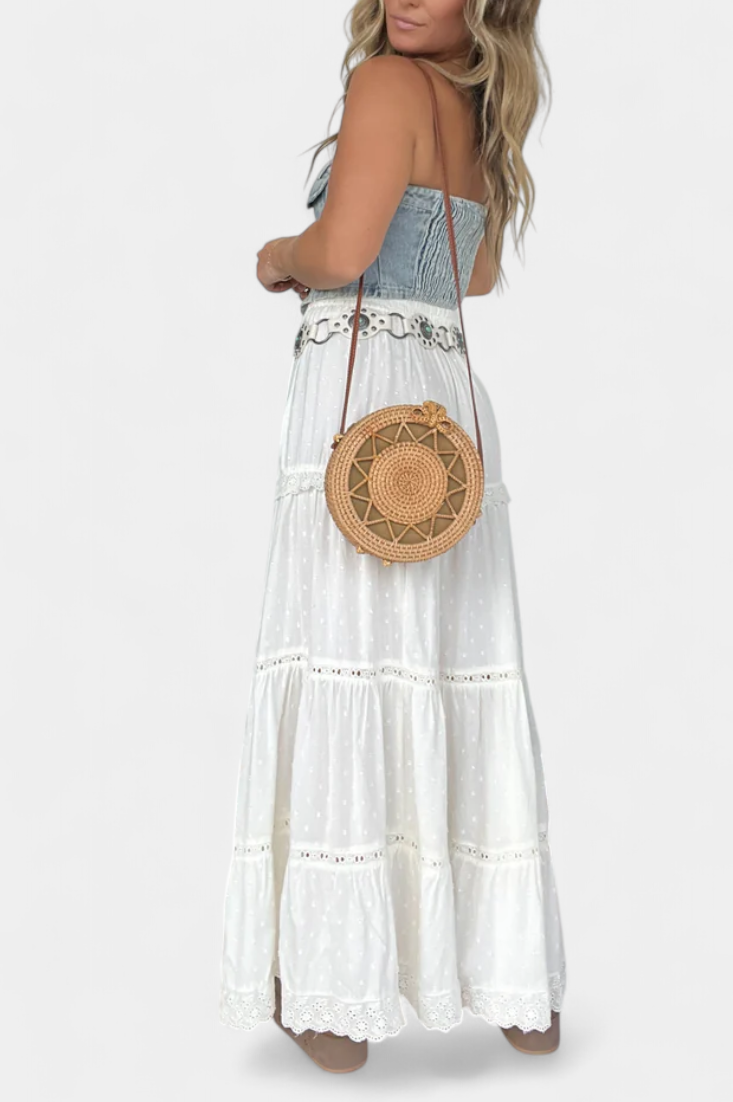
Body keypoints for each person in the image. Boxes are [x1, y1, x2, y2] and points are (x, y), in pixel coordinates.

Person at [219, 0, 566, 1074]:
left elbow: (343, 249)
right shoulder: (477, 105)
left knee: (350, 659)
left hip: (362, 405)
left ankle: (335, 994)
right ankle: (512, 982)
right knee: (453, 666)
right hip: (444, 410)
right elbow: (473, 275)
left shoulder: (383, 83)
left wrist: (278, 254)